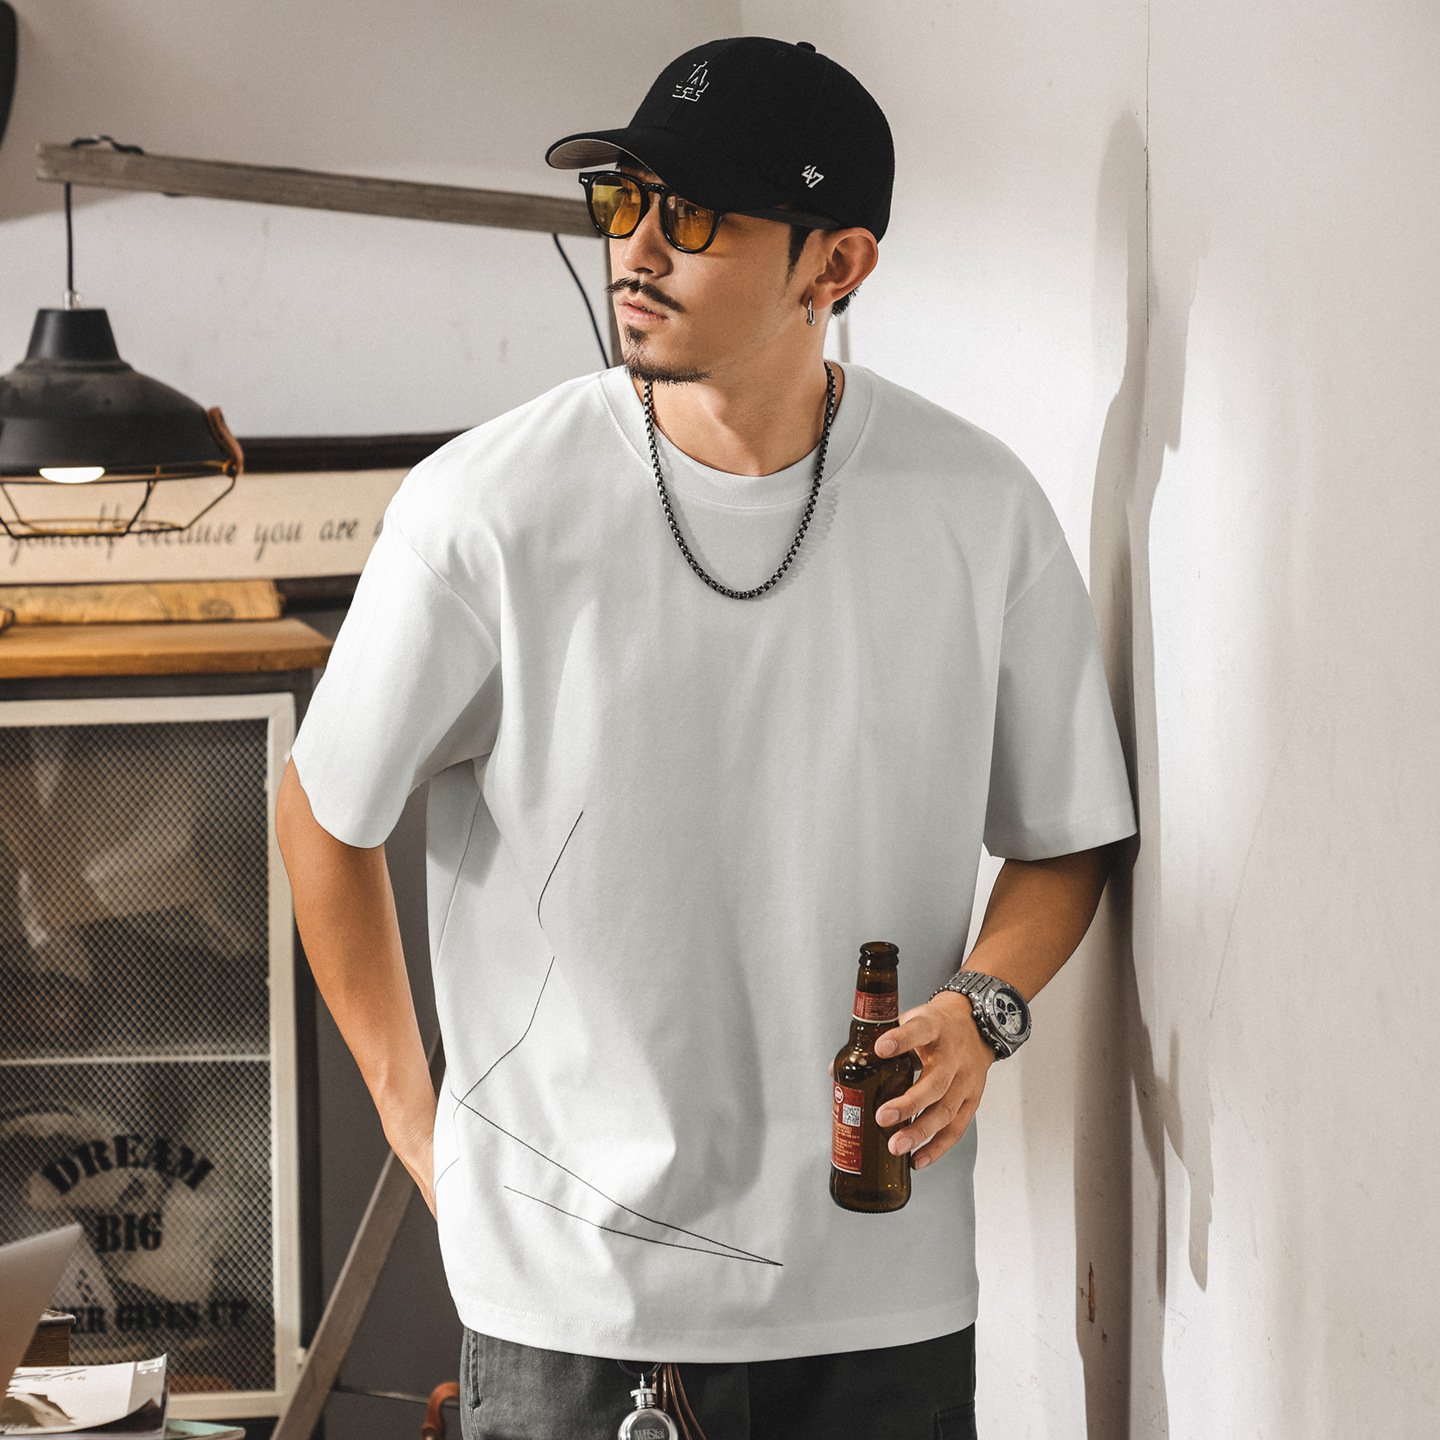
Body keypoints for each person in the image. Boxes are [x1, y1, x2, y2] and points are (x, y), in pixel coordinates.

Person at [276, 35, 1136, 1440]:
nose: (639, 248)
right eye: (625, 202)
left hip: (883, 1293)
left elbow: (1067, 839)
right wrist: (413, 1118)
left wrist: (984, 1009)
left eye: (694, 216)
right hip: (575, 1310)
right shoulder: (485, 509)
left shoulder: (979, 510)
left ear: (835, 265)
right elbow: (323, 809)